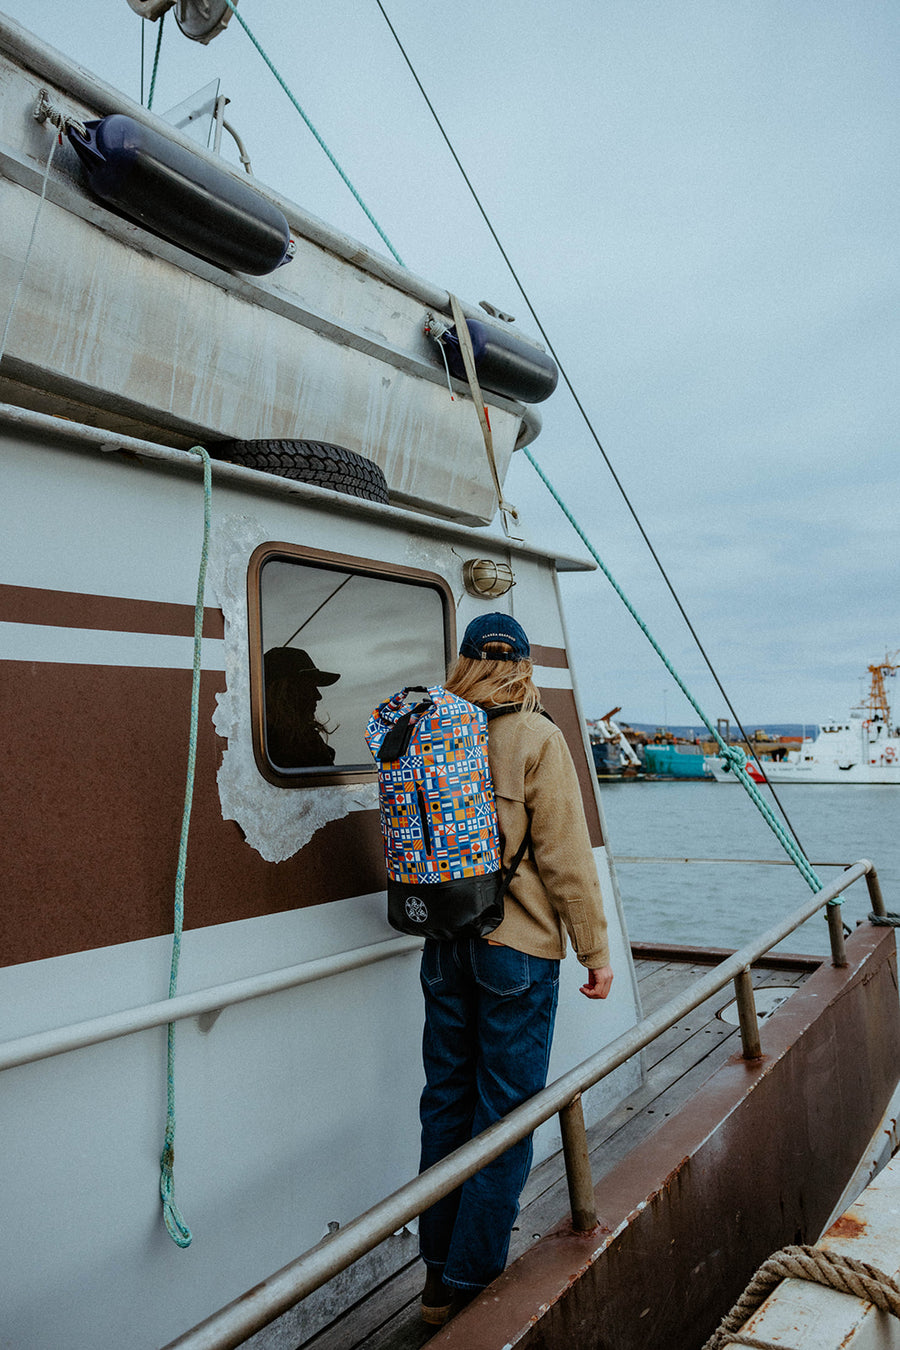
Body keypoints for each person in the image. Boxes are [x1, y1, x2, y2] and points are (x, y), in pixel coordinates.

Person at [418, 612, 613, 1325]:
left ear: (466, 662)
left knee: (445, 1101)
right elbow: (564, 857)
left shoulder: (433, 729)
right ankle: (473, 1286)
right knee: (504, 1115)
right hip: (517, 950)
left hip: (443, 942)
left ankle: (438, 1278)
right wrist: (594, 951)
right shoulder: (536, 736)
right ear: (523, 667)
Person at [263, 645, 340, 767]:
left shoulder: (263, 744)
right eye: (308, 687)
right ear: (284, 692)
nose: (318, 696)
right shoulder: (279, 749)